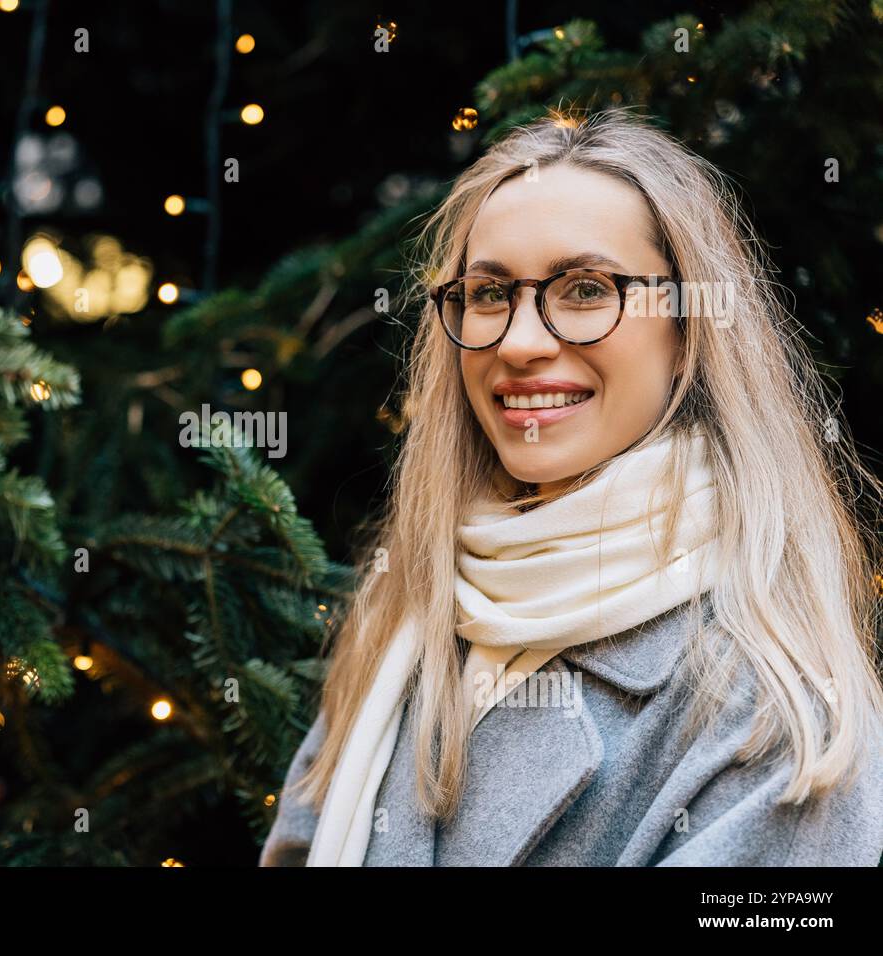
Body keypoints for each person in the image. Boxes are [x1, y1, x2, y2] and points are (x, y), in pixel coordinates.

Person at [259, 109, 883, 866]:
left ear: (688, 329)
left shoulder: (771, 711)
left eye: (586, 289)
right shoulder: (407, 617)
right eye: (489, 294)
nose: (521, 342)